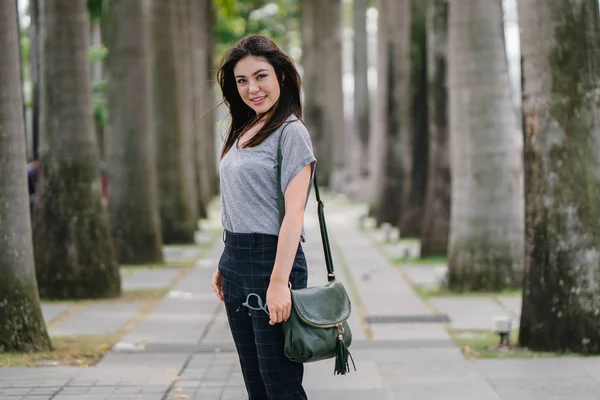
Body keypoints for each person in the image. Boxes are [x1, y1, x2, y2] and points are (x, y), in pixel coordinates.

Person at [211, 34, 316, 399]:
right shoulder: (242, 130)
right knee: (256, 386)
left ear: (281, 77)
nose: (252, 88)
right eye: (242, 80)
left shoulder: (291, 132)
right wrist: (226, 261)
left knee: (280, 387)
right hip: (237, 262)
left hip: (273, 265)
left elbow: (295, 213)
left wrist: (278, 283)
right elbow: (241, 201)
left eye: (260, 76)